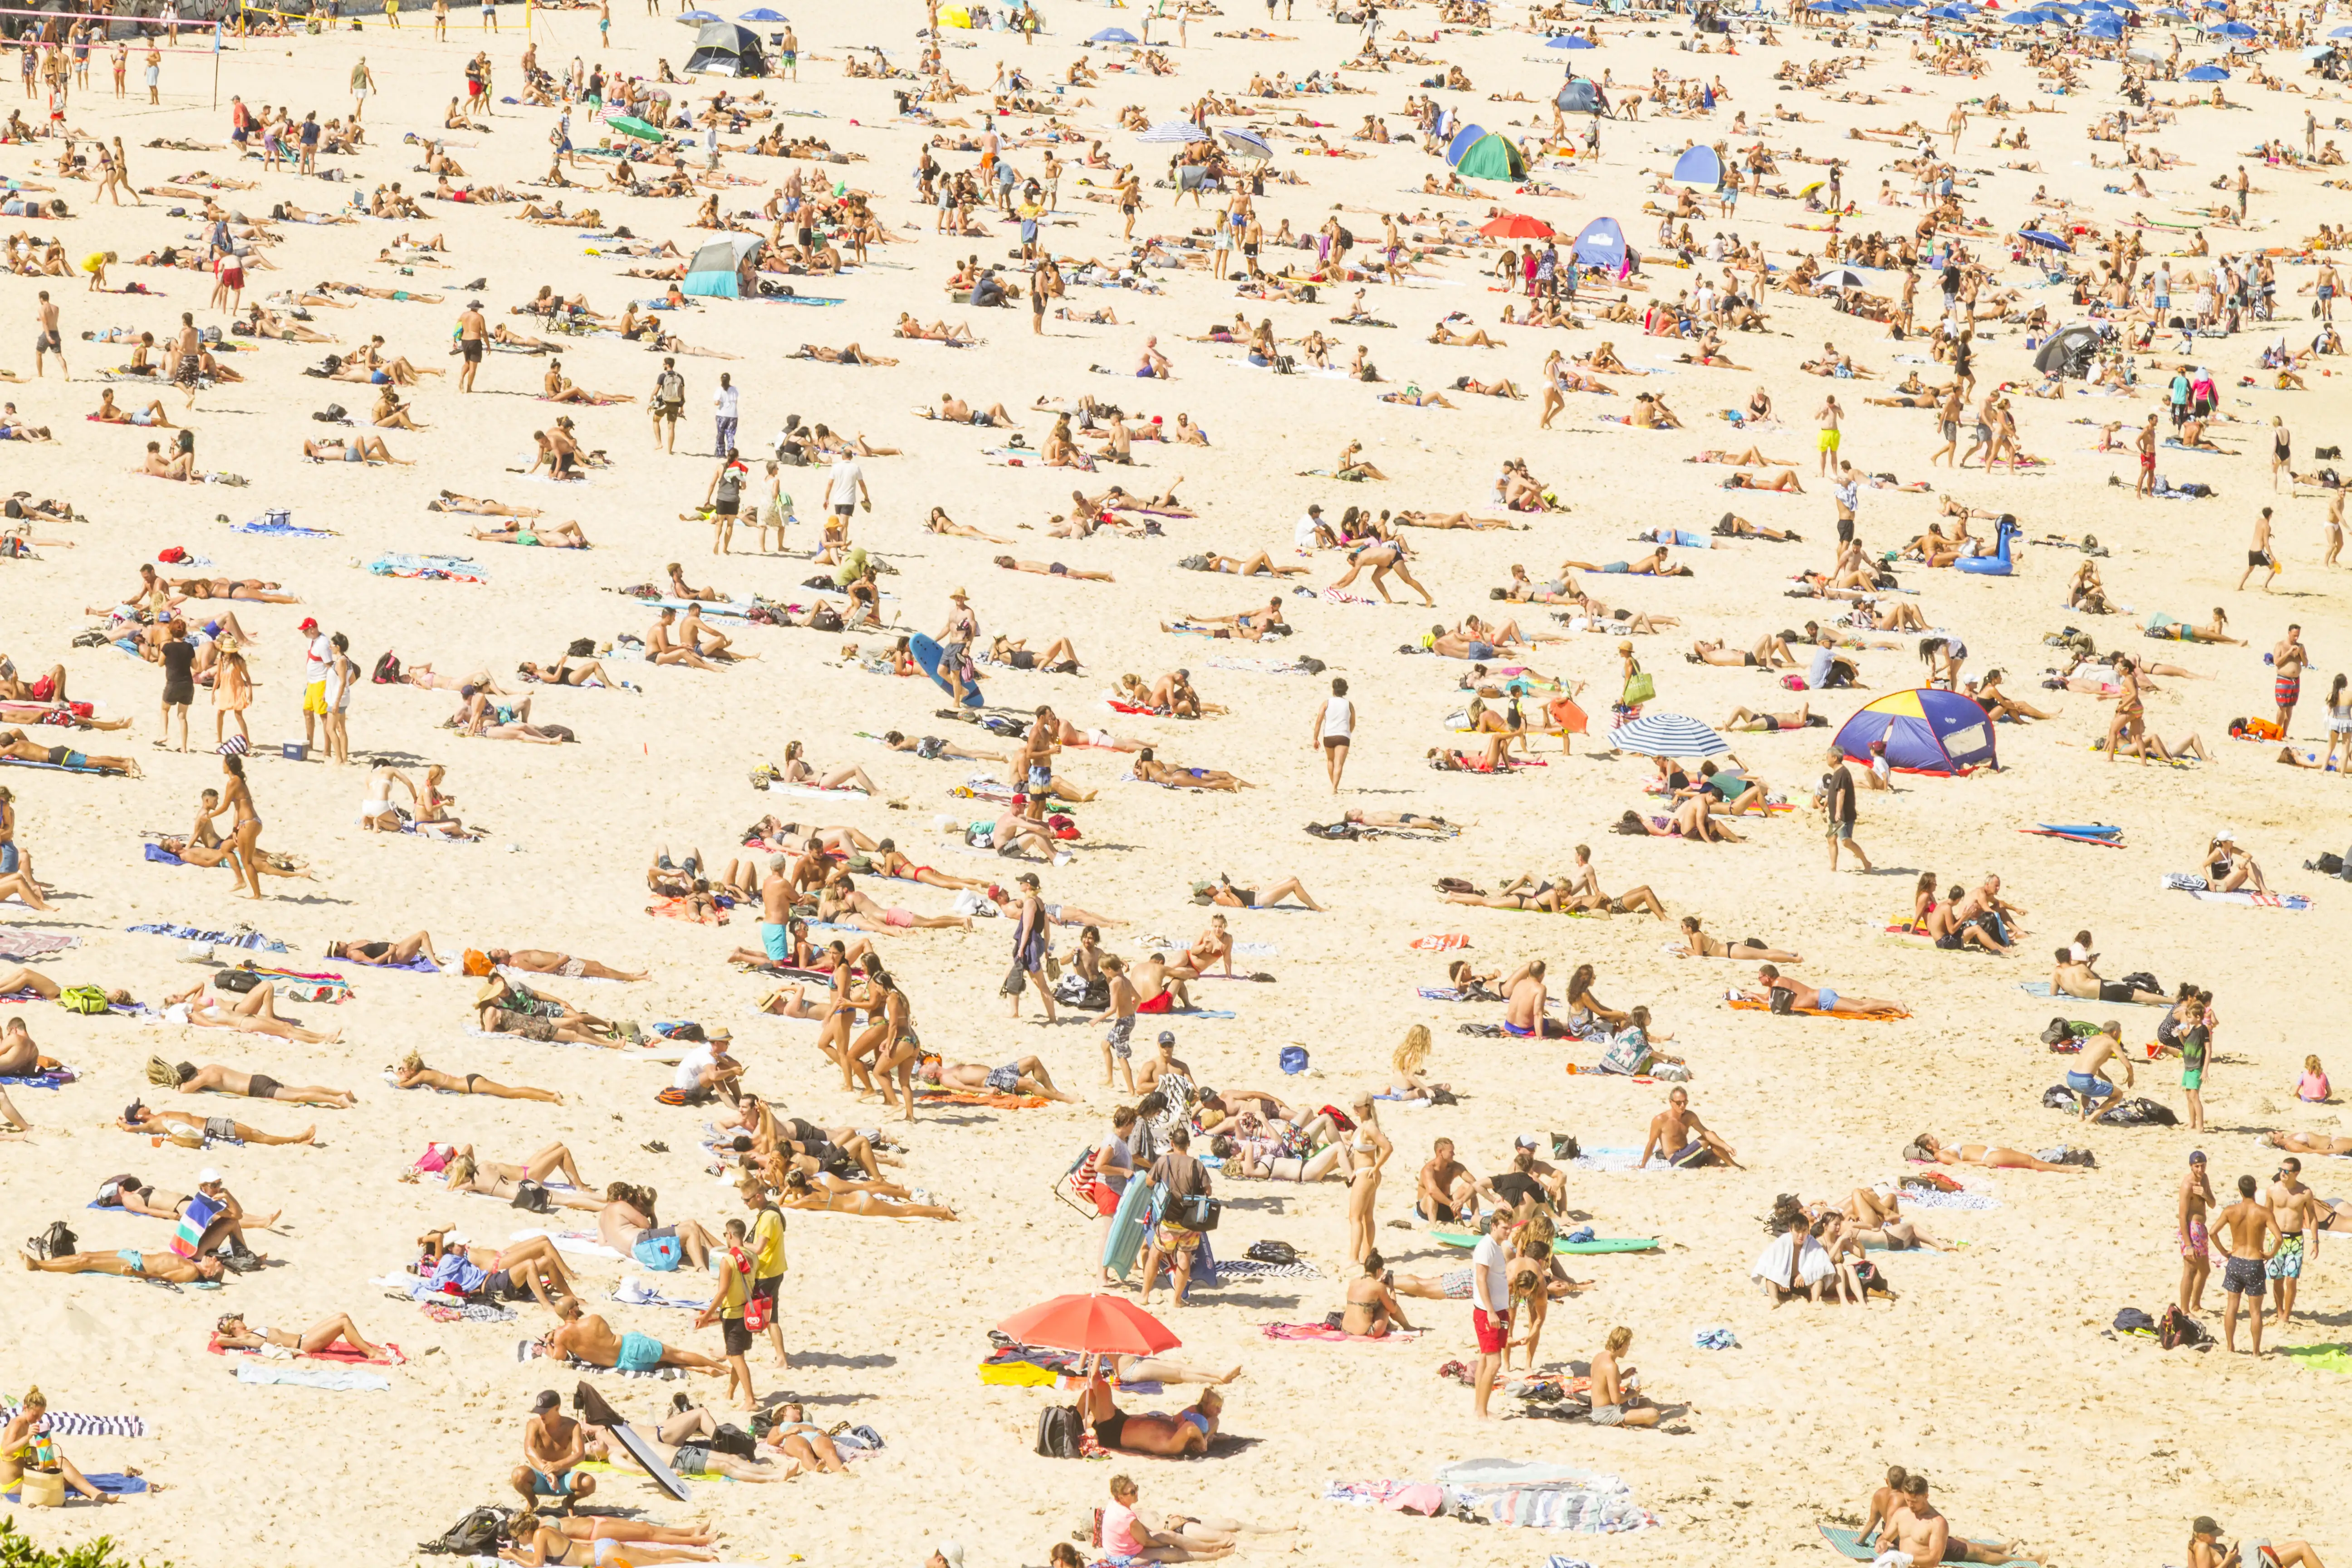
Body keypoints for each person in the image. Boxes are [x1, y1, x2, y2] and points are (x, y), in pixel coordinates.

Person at [1137, 1125, 1211, 1308]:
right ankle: (1177, 1300)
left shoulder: (1164, 1161)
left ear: (1172, 1143)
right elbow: (1208, 1191)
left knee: (1155, 1255)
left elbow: (1149, 1182)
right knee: (1184, 1259)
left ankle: (1145, 1296)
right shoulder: (1197, 1165)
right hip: (1189, 1221)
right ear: (1188, 1144)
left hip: (1169, 1220)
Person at [512, 1389, 596, 1513]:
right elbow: (529, 1449)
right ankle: (532, 1500)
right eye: (539, 1412)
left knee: (589, 1483)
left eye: (545, 1412)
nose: (541, 1415)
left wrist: (557, 1466)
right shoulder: (534, 1424)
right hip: (540, 1477)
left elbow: (580, 1455)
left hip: (563, 1479)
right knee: (518, 1475)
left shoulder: (572, 1426)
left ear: (557, 1408)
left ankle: (569, 1502)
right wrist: (547, 1470)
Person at [215, 1310, 391, 1361]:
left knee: (342, 1316)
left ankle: (370, 1349)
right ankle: (371, 1353)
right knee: (343, 1324)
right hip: (302, 1346)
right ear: (233, 1326)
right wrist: (230, 1336)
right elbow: (220, 1340)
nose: (241, 1320)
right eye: (237, 1320)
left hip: (302, 1337)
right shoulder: (244, 1338)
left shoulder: (248, 1332)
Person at [1469, 1208, 1511, 1419]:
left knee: (1486, 1359)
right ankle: (1481, 1413)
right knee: (1494, 1363)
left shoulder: (1496, 1247)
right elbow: (1481, 1280)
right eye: (1505, 1228)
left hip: (1499, 1311)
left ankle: (1480, 1408)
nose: (1508, 1232)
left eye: (1510, 1228)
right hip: (1488, 1313)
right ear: (1494, 1226)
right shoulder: (1485, 1247)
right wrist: (1492, 1311)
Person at [1638, 1086, 1740, 1168]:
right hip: (1677, 1158)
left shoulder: (1690, 1116)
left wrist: (1726, 1146)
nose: (1682, 1106)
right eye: (1678, 1103)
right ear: (1671, 1102)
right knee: (1707, 1139)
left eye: (1685, 1102)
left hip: (1687, 1153)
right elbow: (1651, 1143)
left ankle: (1716, 1165)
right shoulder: (1660, 1120)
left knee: (1715, 1150)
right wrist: (1643, 1165)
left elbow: (1706, 1132)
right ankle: (1734, 1166)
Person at [1815, 744, 1873, 871]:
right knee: (1831, 839)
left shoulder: (1842, 773)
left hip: (1843, 814)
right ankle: (1833, 867)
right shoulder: (1836, 773)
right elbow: (1833, 793)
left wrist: (1838, 812)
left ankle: (1866, 863)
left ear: (1835, 758)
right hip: (1834, 813)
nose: (1827, 759)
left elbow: (1842, 793)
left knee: (1847, 842)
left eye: (1828, 757)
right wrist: (1826, 806)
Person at [2186, 1518, 2326, 1568]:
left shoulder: (2193, 1544)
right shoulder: (2203, 1547)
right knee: (2302, 1548)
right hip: (2250, 1566)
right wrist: (2227, 1560)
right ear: (2202, 1535)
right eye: (2212, 1535)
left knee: (2301, 1544)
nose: (2215, 1538)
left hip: (2248, 1562)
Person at [1309, 675, 1353, 794]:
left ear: (1333, 689)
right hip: (1343, 736)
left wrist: (1315, 738)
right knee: (1339, 763)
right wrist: (1348, 733)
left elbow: (1319, 720)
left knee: (1330, 760)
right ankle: (1334, 788)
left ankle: (1333, 785)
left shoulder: (1326, 703)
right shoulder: (1348, 704)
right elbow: (1352, 722)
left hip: (1329, 736)